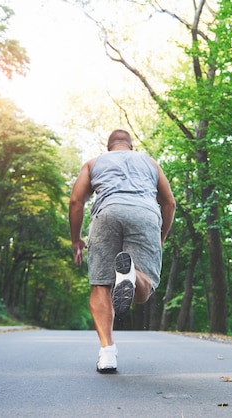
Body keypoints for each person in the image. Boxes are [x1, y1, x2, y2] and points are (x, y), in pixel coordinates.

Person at [69, 129, 176, 373]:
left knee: (100, 284)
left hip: (107, 212)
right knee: (142, 292)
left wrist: (76, 240)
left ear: (110, 147)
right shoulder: (150, 163)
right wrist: (161, 236)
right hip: (145, 214)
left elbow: (76, 201)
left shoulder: (94, 163)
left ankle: (107, 353)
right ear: (131, 145)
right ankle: (132, 275)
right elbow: (169, 202)